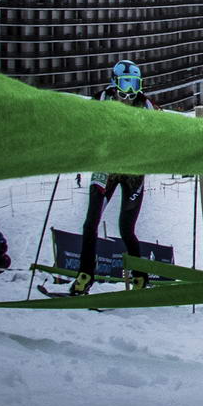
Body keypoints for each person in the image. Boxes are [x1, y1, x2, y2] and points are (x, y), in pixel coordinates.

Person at [70, 60, 158, 293]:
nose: (129, 93)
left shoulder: (145, 104)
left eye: (134, 85)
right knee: (91, 224)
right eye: (125, 84)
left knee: (126, 228)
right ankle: (85, 275)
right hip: (105, 169)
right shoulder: (101, 100)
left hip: (133, 171)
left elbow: (160, 131)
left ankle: (140, 277)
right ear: (114, 83)